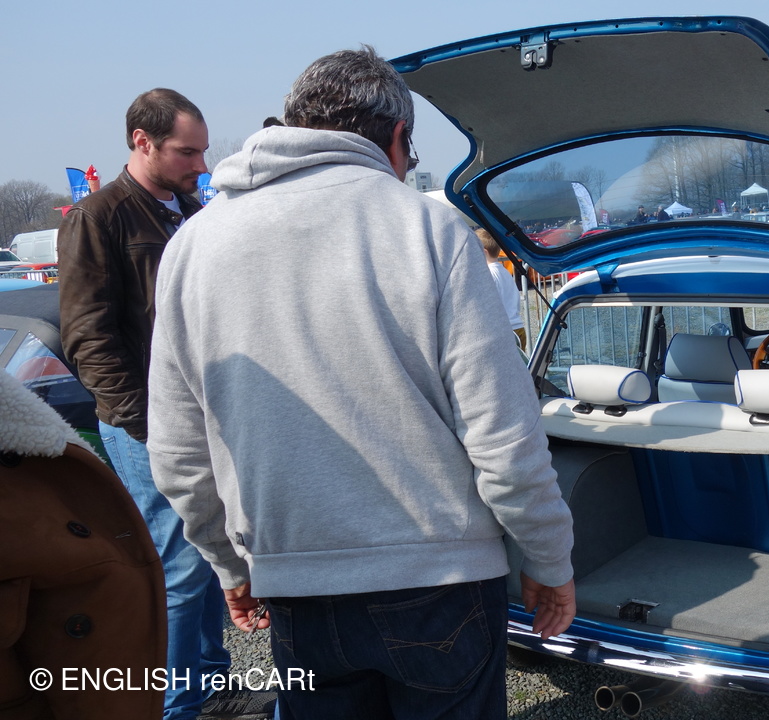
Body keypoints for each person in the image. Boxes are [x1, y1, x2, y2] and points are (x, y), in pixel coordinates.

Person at [146, 47, 576, 720]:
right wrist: (549, 560)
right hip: (441, 582)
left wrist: (231, 565)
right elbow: (501, 433)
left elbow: (178, 452)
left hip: (295, 587)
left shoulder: (194, 245)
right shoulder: (427, 227)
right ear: (397, 137)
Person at [57, 88, 273, 720]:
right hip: (148, 423)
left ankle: (210, 686)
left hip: (203, 417)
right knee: (180, 568)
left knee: (208, 559)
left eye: (203, 152)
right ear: (141, 142)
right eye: (187, 152)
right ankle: (176, 705)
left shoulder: (191, 211)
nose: (202, 165)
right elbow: (87, 338)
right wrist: (148, 424)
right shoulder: (98, 217)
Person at [0, 370, 166, 720]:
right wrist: (139, 420)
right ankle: (181, 700)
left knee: (177, 577)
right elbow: (94, 348)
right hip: (139, 420)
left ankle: (199, 684)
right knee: (177, 576)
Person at [476, 227, 527, 349]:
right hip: (517, 327)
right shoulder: (504, 272)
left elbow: (487, 305)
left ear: (484, 252)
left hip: (505, 331)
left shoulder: (488, 274)